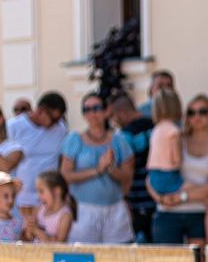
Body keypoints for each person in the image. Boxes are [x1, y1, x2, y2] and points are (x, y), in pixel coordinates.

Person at [152, 95, 208, 245]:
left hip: (200, 213)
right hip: (168, 211)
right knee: (167, 260)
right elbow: (154, 172)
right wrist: (160, 198)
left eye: (203, 112)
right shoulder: (176, 138)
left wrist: (181, 197)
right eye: (191, 112)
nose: (197, 117)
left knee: (200, 259)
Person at [60, 93, 135, 244]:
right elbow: (65, 175)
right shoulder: (75, 140)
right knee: (84, 254)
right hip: (83, 209)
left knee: (117, 255)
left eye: (96, 108)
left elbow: (128, 177)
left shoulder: (119, 140)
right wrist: (97, 170)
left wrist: (110, 168)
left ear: (106, 111)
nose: (92, 113)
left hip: (114, 209)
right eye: (87, 109)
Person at [7, 91, 69, 223]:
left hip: (50, 200)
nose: (56, 123)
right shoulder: (13, 126)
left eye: (59, 119)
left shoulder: (61, 129)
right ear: (41, 111)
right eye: (53, 119)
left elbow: (62, 160)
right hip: (20, 200)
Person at [108, 92, 156, 243]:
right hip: (160, 199)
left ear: (121, 113)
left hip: (137, 200)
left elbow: (124, 171)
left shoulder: (125, 135)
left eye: (113, 116)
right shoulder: (155, 126)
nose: (114, 121)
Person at [146, 89, 185, 199]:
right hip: (168, 177)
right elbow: (177, 160)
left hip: (153, 176)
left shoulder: (155, 130)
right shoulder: (173, 131)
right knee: (207, 196)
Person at [30, 170, 76, 244]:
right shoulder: (39, 209)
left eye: (41, 191)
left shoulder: (65, 216)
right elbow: (29, 237)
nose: (39, 196)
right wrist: (29, 228)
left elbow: (58, 244)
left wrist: (37, 231)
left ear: (57, 191)